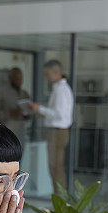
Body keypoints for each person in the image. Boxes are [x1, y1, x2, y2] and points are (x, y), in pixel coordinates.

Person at [28, 60, 74, 193]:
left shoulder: (60, 90)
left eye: (47, 74)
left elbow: (59, 115)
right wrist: (43, 114)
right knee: (55, 167)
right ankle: (60, 198)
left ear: (56, 72)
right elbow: (59, 113)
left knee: (55, 166)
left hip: (57, 132)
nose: (46, 77)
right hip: (57, 130)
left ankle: (61, 200)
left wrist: (40, 109)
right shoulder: (60, 89)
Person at [0, 67, 31, 147]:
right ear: (11, 78)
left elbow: (30, 114)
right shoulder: (1, 93)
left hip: (21, 131)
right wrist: (10, 113)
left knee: (20, 155)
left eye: (21, 78)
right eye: (17, 78)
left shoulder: (24, 93)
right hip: (6, 131)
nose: (19, 80)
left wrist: (27, 114)